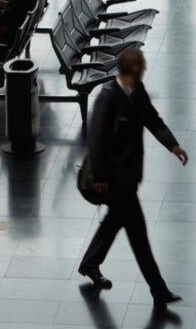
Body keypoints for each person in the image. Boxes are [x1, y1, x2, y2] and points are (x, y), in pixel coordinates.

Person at [78, 48, 189, 306]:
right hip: (114, 181)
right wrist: (102, 178)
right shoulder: (107, 99)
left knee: (115, 220)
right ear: (135, 70)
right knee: (139, 236)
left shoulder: (137, 92)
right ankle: (158, 290)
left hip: (126, 178)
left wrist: (173, 145)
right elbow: (96, 142)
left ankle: (90, 263)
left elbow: (153, 120)